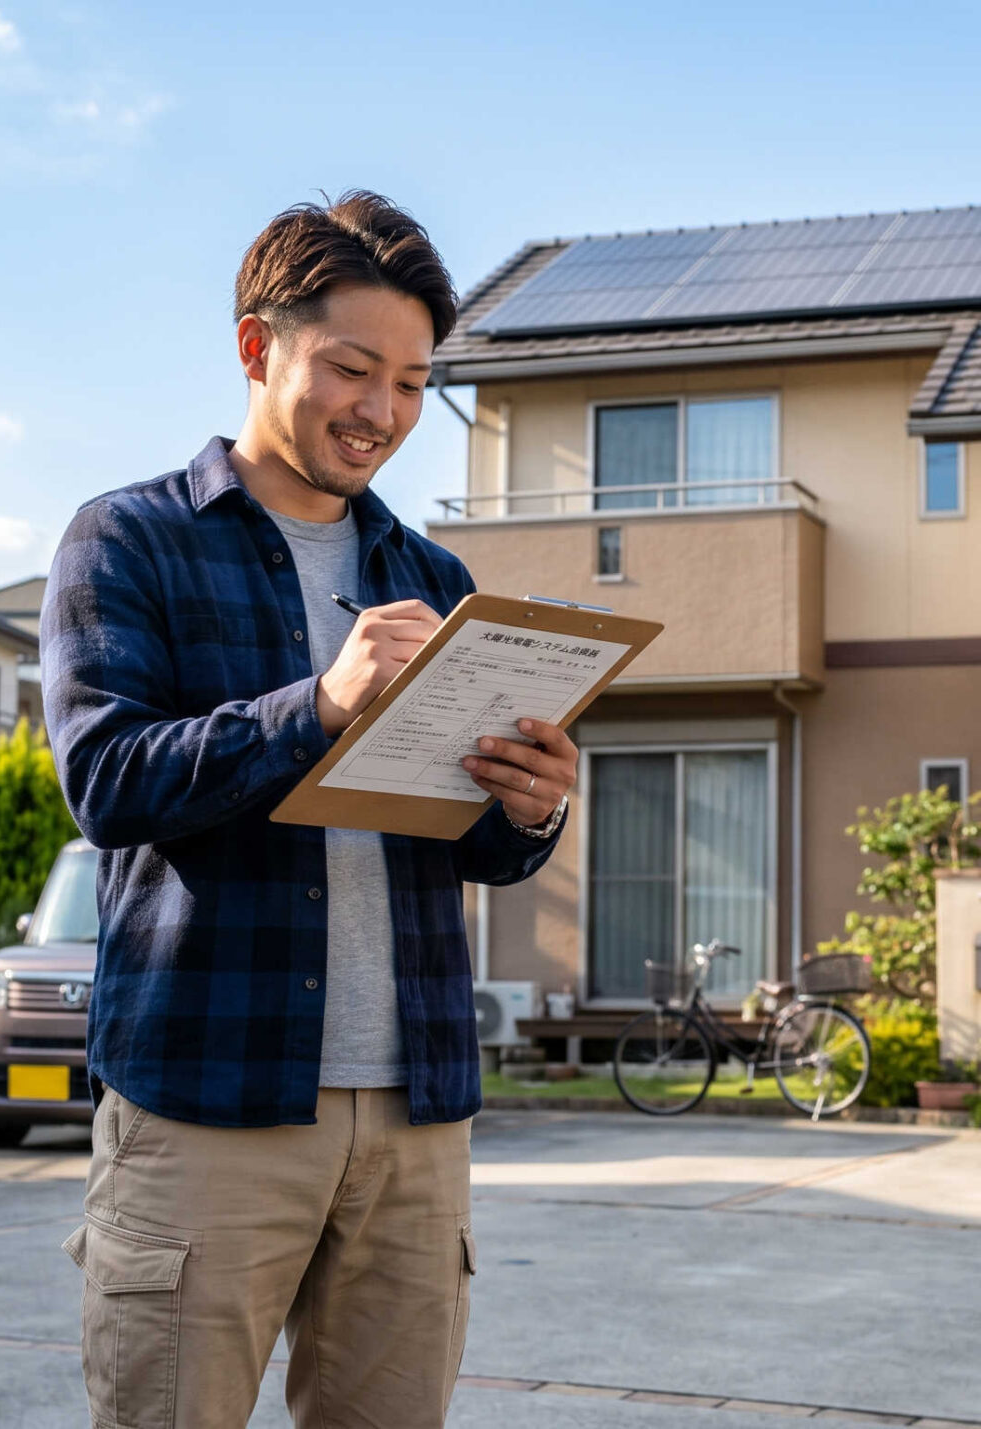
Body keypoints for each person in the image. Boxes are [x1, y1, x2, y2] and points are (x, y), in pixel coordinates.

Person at [40, 191, 575, 1429]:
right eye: (350, 369)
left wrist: (531, 809)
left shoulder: (433, 580)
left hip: (414, 1116)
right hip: (205, 1107)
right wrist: (319, 705)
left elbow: (473, 848)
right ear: (255, 346)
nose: (381, 412)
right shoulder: (127, 542)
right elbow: (109, 781)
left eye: (409, 381)